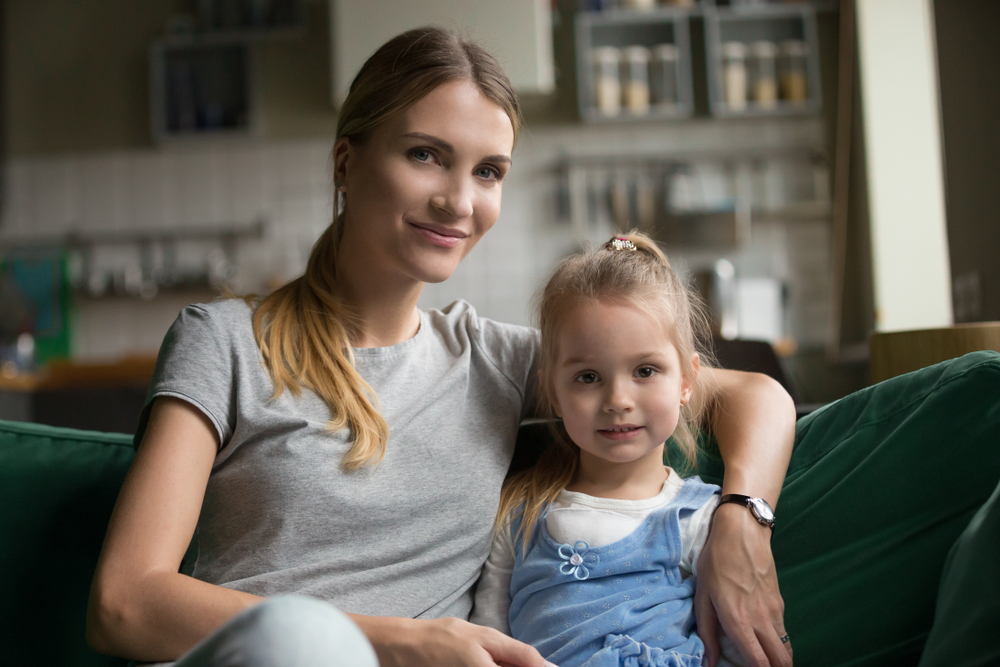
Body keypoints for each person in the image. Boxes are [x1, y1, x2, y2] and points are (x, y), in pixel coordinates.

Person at [86, 27, 796, 667]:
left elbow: (755, 396)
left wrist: (742, 517)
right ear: (345, 162)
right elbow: (123, 601)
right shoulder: (225, 342)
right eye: (426, 155)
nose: (460, 201)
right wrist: (396, 639)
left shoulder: (498, 362)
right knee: (302, 641)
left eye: (488, 171)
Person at [471, 233, 754, 667]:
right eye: (587, 377)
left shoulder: (700, 518)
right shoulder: (518, 514)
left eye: (645, 370)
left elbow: (735, 644)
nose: (618, 399)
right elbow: (487, 642)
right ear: (552, 391)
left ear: (686, 381)